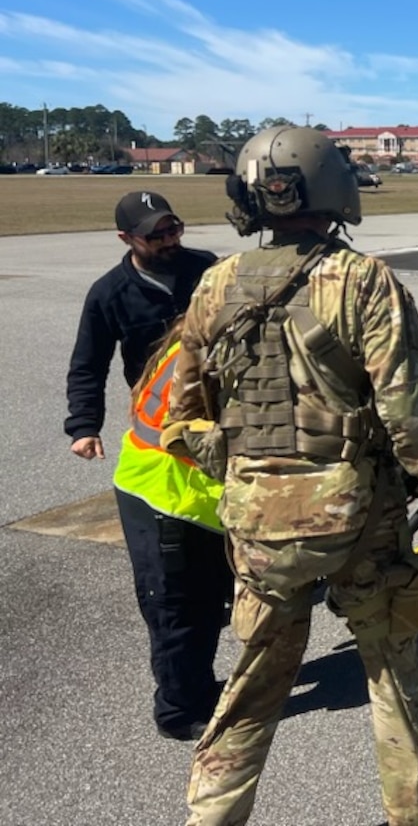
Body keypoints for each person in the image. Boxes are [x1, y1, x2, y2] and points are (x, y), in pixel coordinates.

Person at [165, 125, 418, 826]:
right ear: (333, 190)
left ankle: (210, 818)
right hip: (359, 514)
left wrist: (245, 465)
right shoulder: (365, 281)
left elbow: (183, 418)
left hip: (255, 519)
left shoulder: (213, 286)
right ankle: (410, 816)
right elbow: (413, 415)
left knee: (254, 683)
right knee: (392, 671)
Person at [64, 190, 230, 741]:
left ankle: (197, 680)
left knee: (210, 590)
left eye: (174, 229)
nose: (168, 241)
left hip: (205, 452)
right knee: (176, 599)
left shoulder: (206, 271)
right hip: (158, 465)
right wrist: (83, 425)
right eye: (155, 235)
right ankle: (181, 708)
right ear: (127, 240)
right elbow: (88, 363)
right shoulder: (109, 294)